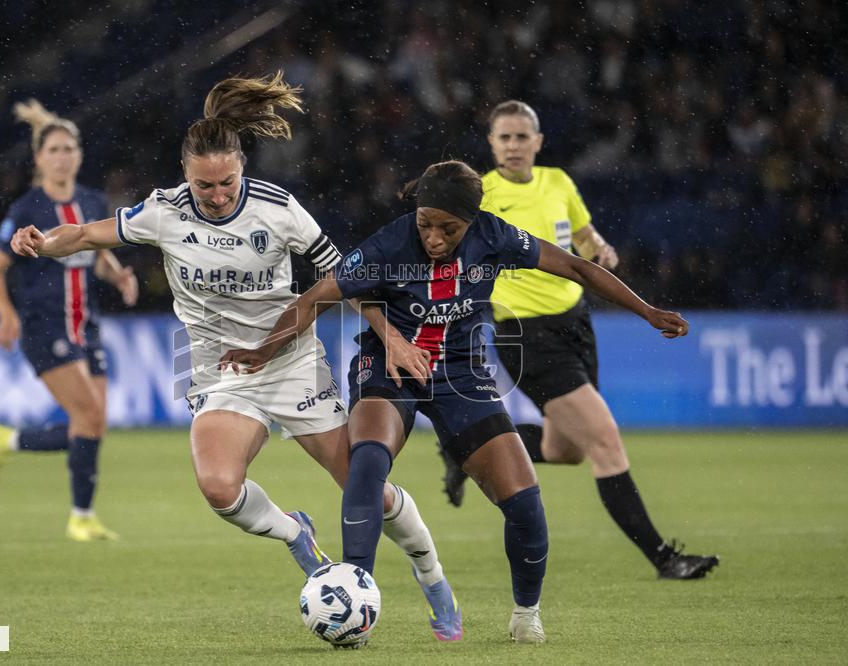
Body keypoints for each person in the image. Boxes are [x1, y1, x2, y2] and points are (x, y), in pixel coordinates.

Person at [9, 73, 462, 642]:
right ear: (186, 178)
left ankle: (432, 575)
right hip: (217, 369)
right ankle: (297, 536)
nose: (218, 196)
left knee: (361, 484)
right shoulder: (164, 211)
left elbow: (342, 273)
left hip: (291, 359)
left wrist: (391, 335)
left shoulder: (279, 209)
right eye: (205, 187)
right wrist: (46, 242)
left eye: (226, 183)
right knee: (219, 488)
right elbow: (91, 235)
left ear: (242, 168)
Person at [219, 159, 691, 643]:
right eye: (426, 224)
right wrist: (263, 350)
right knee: (367, 462)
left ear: (473, 219)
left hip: (461, 373)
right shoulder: (388, 244)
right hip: (390, 366)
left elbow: (574, 266)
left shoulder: (497, 236)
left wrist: (647, 310)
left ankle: (525, 615)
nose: (435, 238)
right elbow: (319, 294)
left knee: (526, 503)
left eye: (450, 228)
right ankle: (354, 590)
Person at [436, 100, 719, 580]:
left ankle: (464, 449)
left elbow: (582, 237)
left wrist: (600, 248)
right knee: (606, 440)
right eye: (503, 137)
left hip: (576, 324)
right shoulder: (480, 196)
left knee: (567, 449)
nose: (513, 146)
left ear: (538, 141)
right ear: (490, 143)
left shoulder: (558, 182)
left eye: (521, 137)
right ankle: (664, 558)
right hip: (526, 336)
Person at [0, 99, 139, 541]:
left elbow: (98, 256)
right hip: (43, 326)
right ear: (39, 159)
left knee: (92, 424)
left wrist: (120, 276)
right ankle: (79, 519)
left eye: (69, 148)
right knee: (87, 414)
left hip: (86, 326)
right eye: (53, 150)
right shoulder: (27, 208)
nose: (62, 156)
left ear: (80, 154)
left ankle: (9, 442)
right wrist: (7, 314)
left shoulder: (92, 201)